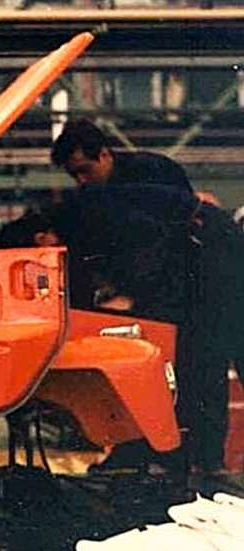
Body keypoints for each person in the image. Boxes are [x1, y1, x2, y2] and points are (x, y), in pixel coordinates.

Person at [54, 183, 244, 474]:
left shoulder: (97, 213)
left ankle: (202, 460)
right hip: (198, 266)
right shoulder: (102, 205)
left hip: (208, 270)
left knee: (208, 363)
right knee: (201, 365)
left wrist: (132, 297)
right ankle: (198, 459)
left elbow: (152, 251)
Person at [51, 118, 193, 191]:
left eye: (85, 170)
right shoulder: (93, 193)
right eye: (74, 175)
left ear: (104, 155)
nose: (81, 180)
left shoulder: (153, 171)